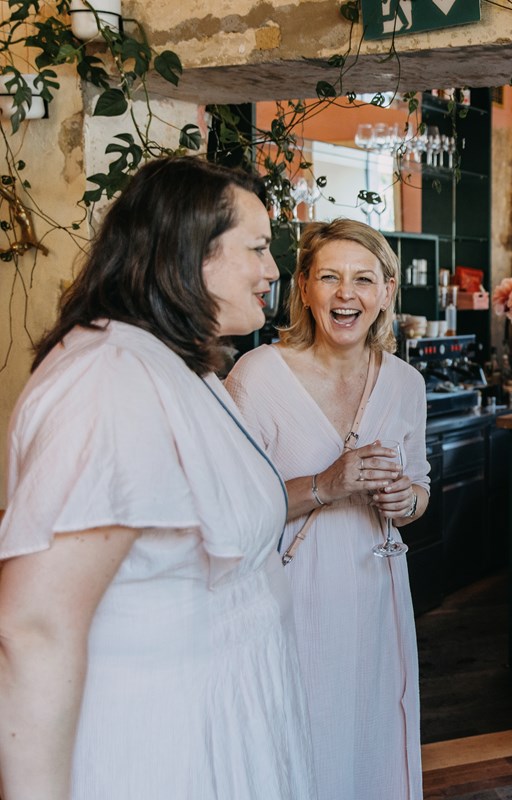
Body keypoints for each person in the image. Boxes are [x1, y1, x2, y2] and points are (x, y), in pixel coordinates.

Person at [0, 156, 314, 798]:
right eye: (257, 248)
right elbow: (34, 627)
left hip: (223, 727)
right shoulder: (108, 378)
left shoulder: (183, 367)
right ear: (190, 252)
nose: (273, 270)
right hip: (155, 748)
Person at [225, 218, 429, 800]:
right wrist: (324, 484)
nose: (347, 294)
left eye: (363, 279)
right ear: (305, 288)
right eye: (330, 277)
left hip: (378, 594)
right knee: (299, 740)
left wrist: (406, 499)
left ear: (386, 291)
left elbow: (419, 490)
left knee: (371, 736)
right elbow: (232, 510)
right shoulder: (258, 375)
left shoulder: (405, 383)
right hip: (290, 595)